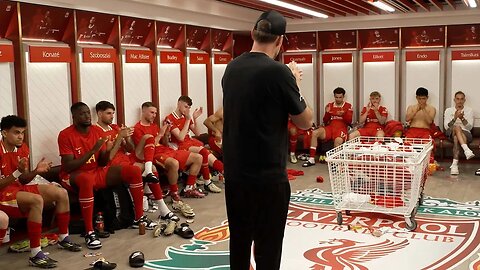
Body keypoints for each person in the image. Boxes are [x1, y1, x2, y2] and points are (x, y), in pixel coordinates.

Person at [222, 10, 313, 270]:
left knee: (239, 241)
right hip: (267, 178)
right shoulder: (279, 73)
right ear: (280, 41)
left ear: (253, 34)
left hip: (236, 174)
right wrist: (295, 83)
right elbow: (305, 121)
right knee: (268, 246)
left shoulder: (231, 68)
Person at [58, 102, 162, 249]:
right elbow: (68, 166)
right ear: (74, 117)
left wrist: (106, 151)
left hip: (95, 170)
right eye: (82, 113)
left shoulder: (96, 131)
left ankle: (138, 218)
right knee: (86, 179)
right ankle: (89, 232)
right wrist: (93, 150)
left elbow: (102, 162)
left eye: (88, 112)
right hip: (73, 175)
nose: (87, 116)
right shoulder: (65, 134)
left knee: (133, 171)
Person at [1, 115, 81, 268]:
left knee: (61, 193)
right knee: (36, 200)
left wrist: (36, 171)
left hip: (18, 188)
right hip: (2, 193)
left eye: (22, 133)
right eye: (16, 132)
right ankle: (35, 254)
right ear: (5, 133)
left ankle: (63, 238)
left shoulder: (23, 148)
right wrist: (17, 173)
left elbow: (23, 179)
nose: (20, 136)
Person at [95, 101, 185, 219]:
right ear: (99, 114)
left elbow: (130, 148)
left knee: (149, 144)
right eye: (108, 113)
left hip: (127, 157)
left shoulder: (115, 127)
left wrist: (126, 138)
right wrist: (120, 138)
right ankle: (160, 208)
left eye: (113, 113)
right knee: (148, 168)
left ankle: (150, 177)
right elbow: (108, 158)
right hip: (113, 164)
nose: (112, 116)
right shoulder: (96, 131)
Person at [131, 102, 198, 217]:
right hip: (154, 155)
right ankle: (174, 193)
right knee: (174, 163)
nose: (154, 115)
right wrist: (161, 133)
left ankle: (189, 188)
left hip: (167, 150)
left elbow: (164, 144)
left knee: (198, 157)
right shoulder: (137, 128)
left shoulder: (154, 126)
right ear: (143, 111)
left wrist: (166, 134)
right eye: (152, 112)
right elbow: (145, 150)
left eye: (156, 113)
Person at [165, 96, 222, 193]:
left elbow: (197, 133)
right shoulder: (169, 119)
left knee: (207, 153)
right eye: (185, 107)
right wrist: (188, 120)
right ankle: (207, 181)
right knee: (204, 152)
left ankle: (223, 174)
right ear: (179, 104)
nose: (187, 110)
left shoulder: (185, 117)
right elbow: (180, 138)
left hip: (190, 142)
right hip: (179, 146)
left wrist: (195, 119)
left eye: (189, 108)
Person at [303, 87, 353, 167]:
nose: (338, 99)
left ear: (343, 97)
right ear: (334, 96)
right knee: (315, 132)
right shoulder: (329, 105)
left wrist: (344, 115)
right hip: (330, 127)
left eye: (340, 97)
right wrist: (327, 113)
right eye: (336, 97)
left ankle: (336, 163)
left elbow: (349, 122)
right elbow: (325, 121)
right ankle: (311, 159)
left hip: (341, 128)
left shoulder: (348, 106)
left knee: (338, 141)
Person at [443, 91, 474, 175]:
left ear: (464, 100)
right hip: (451, 132)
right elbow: (446, 127)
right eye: (457, 99)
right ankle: (466, 150)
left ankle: (454, 165)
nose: (459, 101)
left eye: (461, 99)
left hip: (466, 133)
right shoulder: (448, 110)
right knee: (457, 127)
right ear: (454, 100)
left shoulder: (469, 111)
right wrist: (455, 118)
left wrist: (462, 119)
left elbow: (470, 127)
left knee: (457, 137)